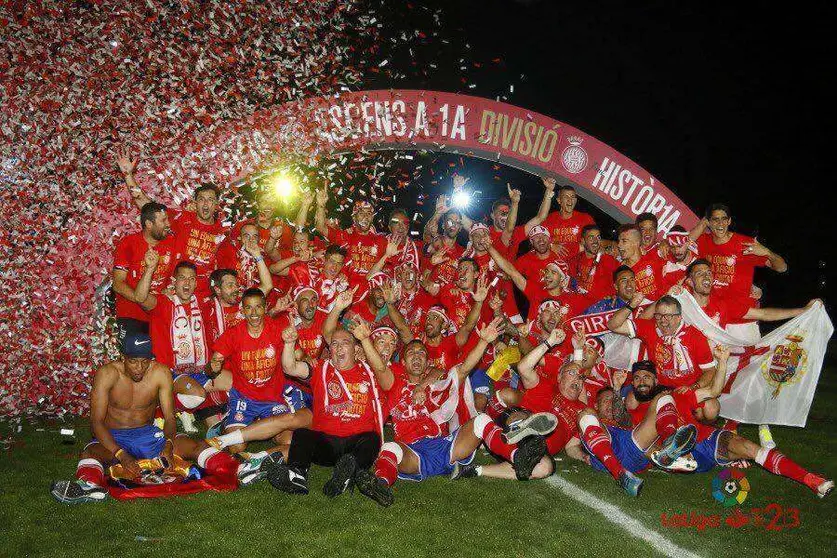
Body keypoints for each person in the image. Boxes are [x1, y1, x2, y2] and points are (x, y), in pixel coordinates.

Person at [355, 318, 554, 506]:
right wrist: (364, 339)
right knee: (390, 448)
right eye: (411, 354)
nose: (417, 357)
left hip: (446, 447)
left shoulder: (439, 385)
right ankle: (380, 484)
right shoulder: (393, 383)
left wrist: (484, 341)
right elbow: (380, 368)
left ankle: (518, 457)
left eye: (422, 354)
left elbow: (464, 368)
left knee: (481, 421)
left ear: (427, 363)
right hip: (413, 453)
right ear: (404, 363)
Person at [50, 333, 258, 504]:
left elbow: (169, 417)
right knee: (91, 452)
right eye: (133, 362)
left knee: (189, 445)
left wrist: (168, 443)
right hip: (114, 435)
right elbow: (96, 422)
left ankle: (237, 469)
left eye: (144, 362)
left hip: (148, 433)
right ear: (123, 357)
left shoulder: (160, 373)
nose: (139, 368)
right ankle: (88, 486)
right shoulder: (107, 374)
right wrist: (121, 454)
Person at [628, 355, 834, 498]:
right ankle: (674, 451)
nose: (641, 381)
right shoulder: (634, 412)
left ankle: (810, 479)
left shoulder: (675, 394)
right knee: (653, 447)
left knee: (749, 448)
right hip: (689, 459)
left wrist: (723, 362)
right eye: (636, 378)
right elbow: (641, 448)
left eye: (646, 376)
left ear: (656, 379)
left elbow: (715, 390)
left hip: (706, 439)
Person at [268, 328, 387, 498]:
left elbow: (384, 372)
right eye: (334, 344)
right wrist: (289, 344)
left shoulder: (369, 372)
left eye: (345, 343)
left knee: (372, 438)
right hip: (327, 444)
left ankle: (353, 474)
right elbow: (290, 368)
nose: (339, 348)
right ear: (329, 350)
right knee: (302, 434)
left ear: (356, 349)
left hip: (357, 443)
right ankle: (297, 475)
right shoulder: (321, 369)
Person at [206, 288, 312, 456]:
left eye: (258, 307)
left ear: (265, 307)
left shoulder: (277, 329)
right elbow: (211, 367)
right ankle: (230, 422)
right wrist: (213, 366)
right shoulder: (233, 334)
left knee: (289, 441)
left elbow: (300, 356)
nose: (254, 312)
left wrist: (305, 356)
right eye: (248, 308)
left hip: (273, 397)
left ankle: (257, 457)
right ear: (242, 310)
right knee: (236, 448)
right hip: (244, 398)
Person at [118, 149, 228, 300]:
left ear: (216, 204)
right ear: (195, 203)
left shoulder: (222, 232)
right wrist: (128, 176)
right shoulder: (182, 218)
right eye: (201, 199)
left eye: (210, 200)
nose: (205, 204)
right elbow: (146, 206)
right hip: (173, 294)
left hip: (203, 298)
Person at [608, 294, 717, 391]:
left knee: (711, 409)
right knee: (631, 401)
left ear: (679, 317)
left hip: (690, 386)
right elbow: (613, 325)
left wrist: (693, 388)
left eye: (669, 316)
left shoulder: (695, 336)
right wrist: (631, 305)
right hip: (660, 387)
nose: (663, 320)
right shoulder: (649, 327)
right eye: (659, 315)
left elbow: (709, 371)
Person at [690, 203, 787, 301]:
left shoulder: (745, 244)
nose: (720, 223)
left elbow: (782, 268)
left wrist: (767, 252)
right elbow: (682, 244)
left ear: (729, 221)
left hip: (738, 308)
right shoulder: (703, 241)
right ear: (708, 222)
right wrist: (702, 224)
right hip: (711, 304)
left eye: (724, 219)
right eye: (715, 219)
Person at [111, 201, 177, 339]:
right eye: (163, 220)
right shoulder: (128, 243)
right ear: (148, 224)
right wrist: (141, 299)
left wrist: (171, 289)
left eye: (168, 219)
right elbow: (118, 283)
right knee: (135, 355)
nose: (168, 224)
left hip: (161, 312)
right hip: (132, 313)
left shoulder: (172, 242)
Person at [314, 189, 387, 274]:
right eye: (361, 213)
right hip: (346, 286)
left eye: (369, 213)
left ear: (372, 218)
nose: (366, 217)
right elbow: (320, 227)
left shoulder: (381, 241)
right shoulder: (344, 236)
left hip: (372, 287)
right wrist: (320, 205)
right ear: (354, 218)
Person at [540, 184, 596, 257]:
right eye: (566, 197)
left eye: (573, 197)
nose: (570, 200)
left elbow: (596, 241)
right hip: (554, 263)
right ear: (559, 200)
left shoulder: (585, 218)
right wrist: (550, 246)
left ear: (575, 200)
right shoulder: (549, 219)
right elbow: (536, 240)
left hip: (578, 262)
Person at [568, 224, 619, 301]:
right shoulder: (574, 261)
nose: (595, 241)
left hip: (602, 307)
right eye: (591, 238)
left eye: (598, 237)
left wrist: (615, 296)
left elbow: (622, 280)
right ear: (583, 241)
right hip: (579, 305)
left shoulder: (609, 260)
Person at [616, 225, 666, 301]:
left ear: (637, 243)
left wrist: (666, 242)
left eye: (624, 241)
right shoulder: (620, 271)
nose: (619, 245)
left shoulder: (655, 257)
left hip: (664, 306)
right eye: (618, 241)